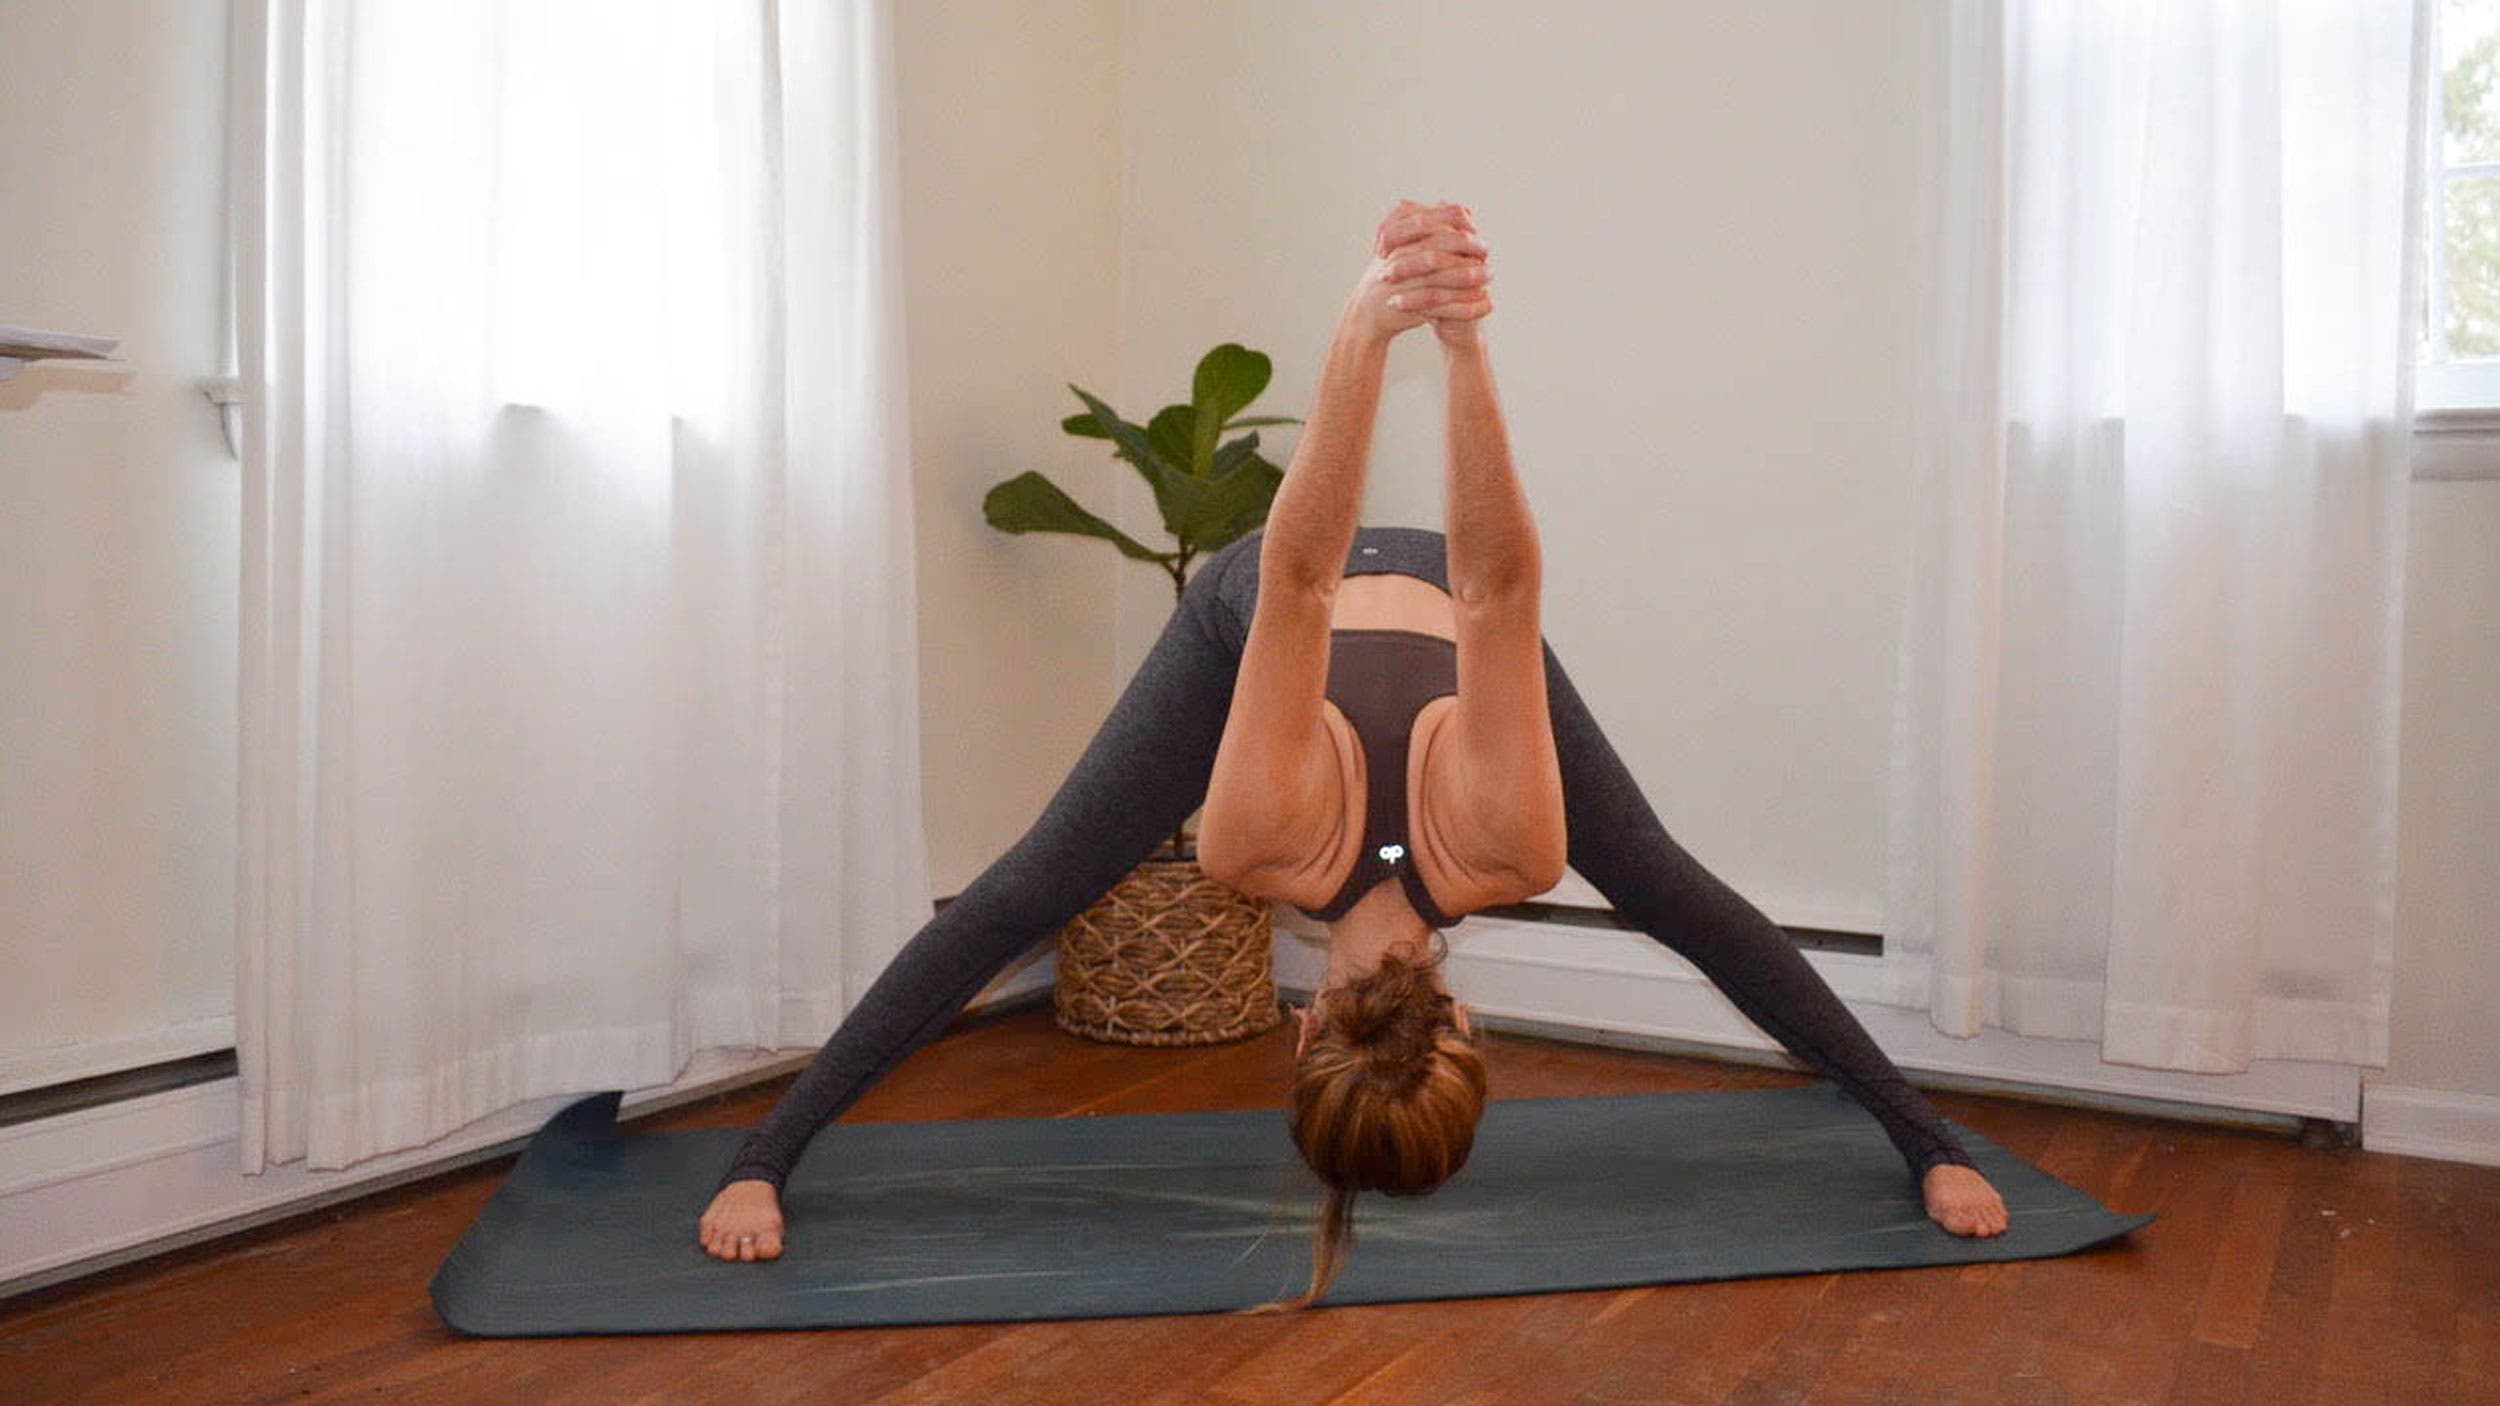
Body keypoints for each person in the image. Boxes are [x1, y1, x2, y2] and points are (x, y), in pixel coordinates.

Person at [698, 201, 2012, 1298]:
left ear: (1466, 1025)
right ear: (1304, 1028)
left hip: (1257, 609)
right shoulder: (1487, 843)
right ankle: (1926, 1137)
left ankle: (768, 1154)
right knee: (1669, 886)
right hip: (1428, 584)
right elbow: (1487, 596)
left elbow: (1307, 583)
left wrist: (1401, 325)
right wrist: (1434, 328)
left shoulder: (1289, 838)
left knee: (1031, 887)